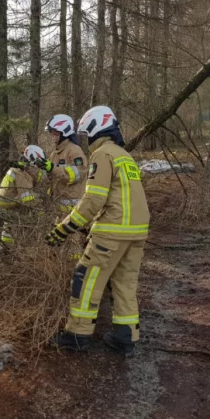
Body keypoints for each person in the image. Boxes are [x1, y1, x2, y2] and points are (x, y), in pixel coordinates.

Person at [44, 105, 150, 356]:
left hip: (112, 230)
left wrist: (65, 227)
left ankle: (77, 335)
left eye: (86, 132)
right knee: (124, 284)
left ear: (95, 128)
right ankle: (126, 338)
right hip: (137, 232)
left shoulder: (102, 155)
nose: (86, 137)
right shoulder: (124, 155)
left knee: (86, 279)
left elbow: (94, 199)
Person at [42, 114, 89, 260]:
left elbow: (75, 175)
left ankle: (73, 271)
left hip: (73, 206)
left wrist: (52, 168)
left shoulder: (74, 151)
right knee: (61, 241)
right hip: (59, 206)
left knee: (74, 242)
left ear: (64, 132)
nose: (53, 137)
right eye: (52, 134)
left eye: (55, 134)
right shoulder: (54, 153)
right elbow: (50, 176)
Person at [0, 145, 48, 246]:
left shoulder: (17, 169)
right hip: (14, 204)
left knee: (8, 228)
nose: (37, 170)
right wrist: (41, 212)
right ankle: (18, 248)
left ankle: (5, 249)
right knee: (23, 223)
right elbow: (27, 198)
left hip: (8, 203)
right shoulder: (22, 173)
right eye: (37, 167)